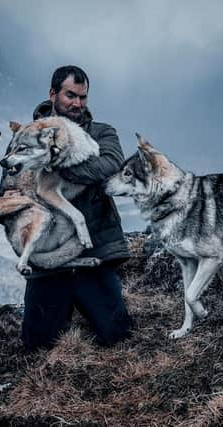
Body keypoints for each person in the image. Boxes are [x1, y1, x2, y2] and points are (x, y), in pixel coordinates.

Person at [21, 65, 133, 350]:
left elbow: (109, 166)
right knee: (37, 346)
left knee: (117, 336)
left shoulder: (102, 132)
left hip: (94, 252)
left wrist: (52, 163)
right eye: (71, 95)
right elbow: (10, 189)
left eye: (83, 97)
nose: (78, 103)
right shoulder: (27, 138)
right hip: (49, 260)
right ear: (53, 94)